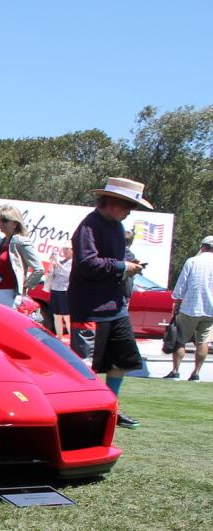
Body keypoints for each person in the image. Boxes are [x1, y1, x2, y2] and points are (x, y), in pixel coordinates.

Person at [69, 177, 153, 428]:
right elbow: (87, 263)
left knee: (121, 361)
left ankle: (109, 410)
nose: (129, 213)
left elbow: (118, 257)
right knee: (85, 367)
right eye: (128, 206)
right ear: (113, 202)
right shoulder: (89, 227)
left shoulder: (116, 228)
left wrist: (131, 263)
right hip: (90, 308)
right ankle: (83, 414)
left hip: (115, 307)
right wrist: (121, 266)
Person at [167, 235, 213, 381]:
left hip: (190, 307)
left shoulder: (192, 261)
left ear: (203, 246)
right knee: (203, 341)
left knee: (181, 340)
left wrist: (177, 302)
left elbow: (182, 285)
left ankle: (175, 371)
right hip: (210, 309)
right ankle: (196, 373)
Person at [0, 204, 44, 307]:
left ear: (15, 223)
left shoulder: (20, 241)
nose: (0, 223)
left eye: (4, 220)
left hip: (9, 296)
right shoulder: (1, 242)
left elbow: (39, 269)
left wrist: (25, 286)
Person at [47, 246, 73, 344]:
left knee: (67, 317)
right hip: (55, 290)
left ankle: (72, 339)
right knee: (56, 315)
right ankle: (59, 338)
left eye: (67, 249)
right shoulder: (60, 262)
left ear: (72, 250)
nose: (65, 251)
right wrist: (51, 262)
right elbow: (50, 273)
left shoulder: (74, 262)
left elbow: (68, 274)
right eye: (64, 249)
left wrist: (57, 263)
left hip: (65, 291)